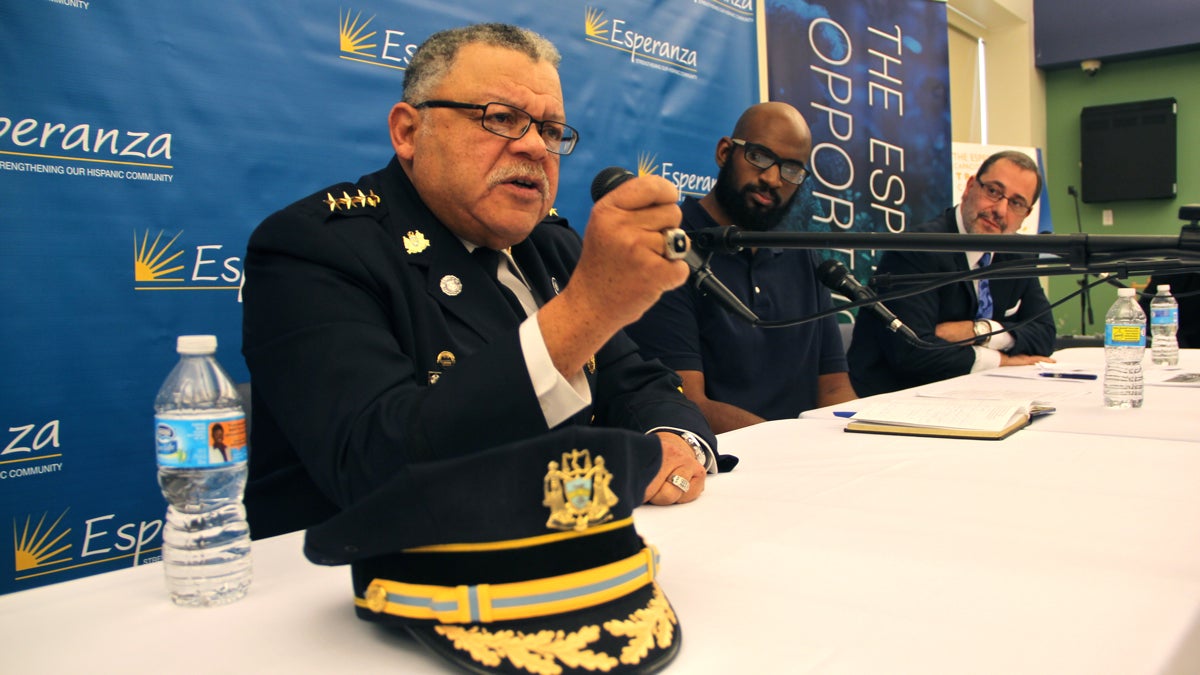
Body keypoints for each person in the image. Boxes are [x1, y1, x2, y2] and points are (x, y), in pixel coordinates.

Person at [241, 23, 726, 540]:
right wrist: (586, 310)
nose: (536, 148)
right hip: (354, 590)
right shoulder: (316, 247)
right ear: (408, 132)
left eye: (551, 129)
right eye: (502, 119)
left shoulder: (551, 244)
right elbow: (373, 469)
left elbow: (640, 383)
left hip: (556, 556)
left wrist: (673, 441)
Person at [626, 102, 856, 433]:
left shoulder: (803, 255)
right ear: (724, 153)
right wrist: (791, 446)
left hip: (805, 461)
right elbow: (688, 403)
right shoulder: (671, 247)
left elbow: (834, 389)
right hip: (720, 466)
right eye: (760, 157)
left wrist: (853, 443)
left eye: (791, 169)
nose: (774, 179)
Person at [848, 150, 1057, 397]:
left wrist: (980, 332)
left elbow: (1044, 333)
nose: (1000, 210)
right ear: (969, 187)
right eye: (993, 191)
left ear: (1026, 215)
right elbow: (914, 353)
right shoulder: (918, 249)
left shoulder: (1018, 256)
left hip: (975, 397)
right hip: (896, 399)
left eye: (1016, 203)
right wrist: (1003, 361)